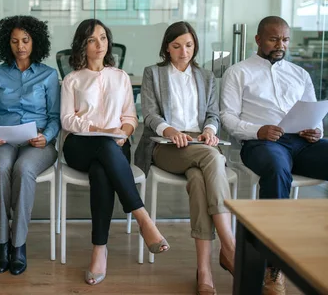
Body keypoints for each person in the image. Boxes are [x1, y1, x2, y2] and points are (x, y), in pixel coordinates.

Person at [221, 15, 328, 295]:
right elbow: (227, 118)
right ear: (258, 40)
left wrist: (315, 130)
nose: (281, 44)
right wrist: (258, 131)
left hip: (302, 142)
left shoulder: (300, 74)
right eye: (273, 39)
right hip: (262, 144)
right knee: (278, 169)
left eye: (285, 39)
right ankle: (273, 266)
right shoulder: (238, 72)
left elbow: (314, 114)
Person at [60, 18, 169, 286]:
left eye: (103, 38)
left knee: (102, 170)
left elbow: (131, 117)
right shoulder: (71, 80)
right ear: (82, 45)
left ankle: (99, 249)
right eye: (92, 40)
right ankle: (143, 218)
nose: (99, 45)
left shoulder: (120, 78)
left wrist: (125, 133)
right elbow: (67, 120)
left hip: (116, 144)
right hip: (79, 145)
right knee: (103, 147)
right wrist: (96, 128)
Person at [135, 21, 235, 295]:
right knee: (213, 160)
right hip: (165, 144)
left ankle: (205, 271)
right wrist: (170, 130)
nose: (183, 52)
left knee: (200, 180)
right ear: (167, 48)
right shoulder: (153, 74)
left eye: (189, 45)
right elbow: (150, 114)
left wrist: (209, 131)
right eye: (177, 46)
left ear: (195, 47)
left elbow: (213, 114)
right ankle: (230, 245)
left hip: (199, 144)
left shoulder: (205, 77)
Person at [0, 15, 60, 275]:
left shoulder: (49, 75)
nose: (20, 46)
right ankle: (2, 242)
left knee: (24, 169)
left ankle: (19, 244)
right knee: (2, 166)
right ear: (7, 43)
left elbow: (54, 117)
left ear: (35, 41)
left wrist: (46, 137)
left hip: (37, 142)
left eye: (25, 40)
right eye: (14, 41)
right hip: (2, 140)